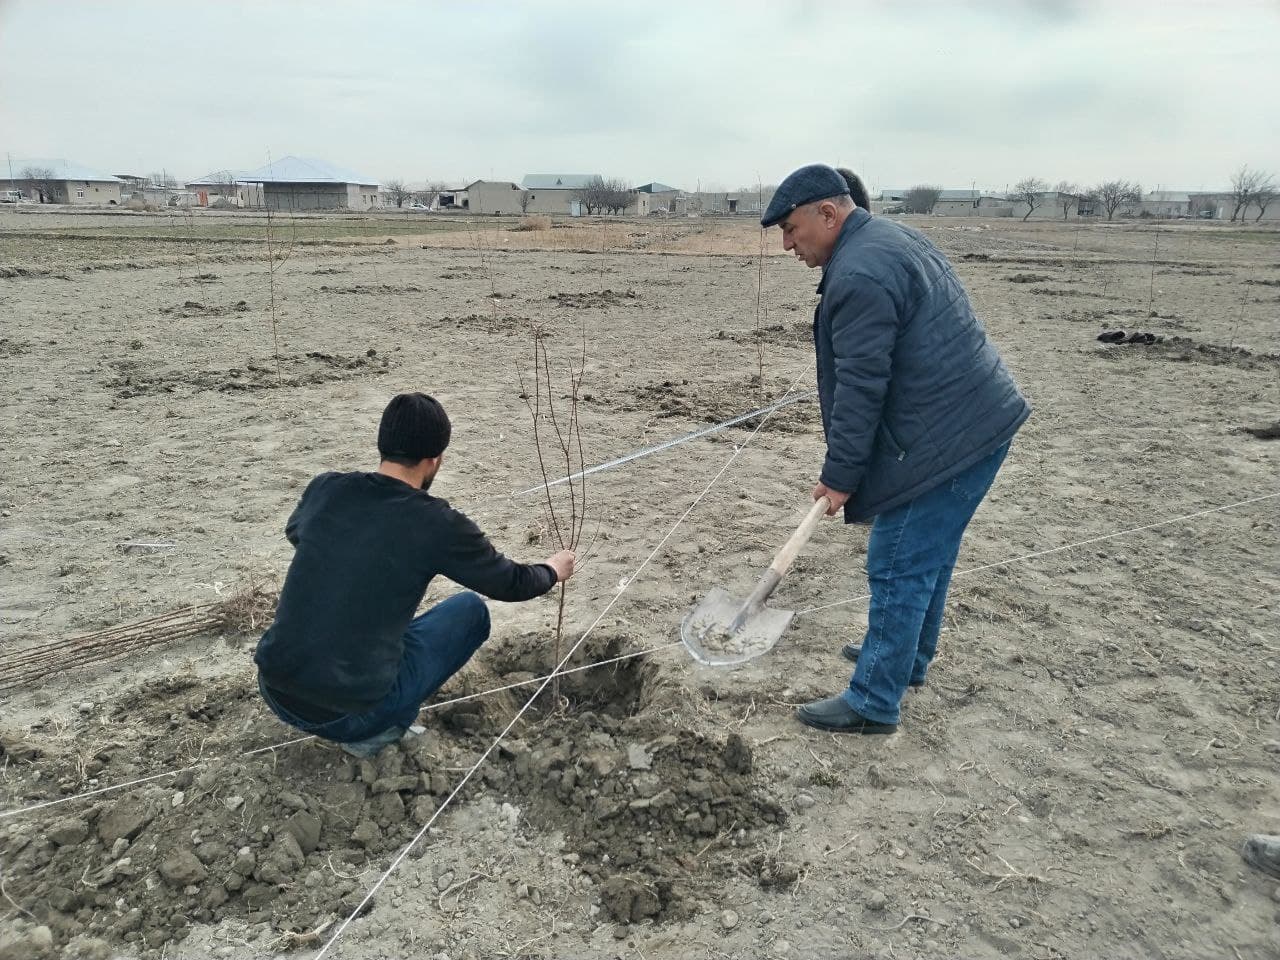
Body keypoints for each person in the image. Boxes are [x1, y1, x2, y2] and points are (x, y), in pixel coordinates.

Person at [760, 164, 1031, 735]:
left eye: (790, 228)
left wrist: (840, 477)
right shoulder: (890, 239)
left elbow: (862, 386)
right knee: (927, 554)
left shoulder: (859, 273)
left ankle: (874, 700)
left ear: (828, 214)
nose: (787, 244)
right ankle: (907, 662)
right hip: (974, 424)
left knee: (898, 558)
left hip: (951, 436)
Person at [254, 392, 575, 758]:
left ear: (383, 445)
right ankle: (377, 733)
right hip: (349, 716)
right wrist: (552, 570)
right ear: (434, 460)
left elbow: (297, 532)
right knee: (470, 611)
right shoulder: (437, 523)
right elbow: (510, 583)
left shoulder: (326, 487)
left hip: (274, 687)